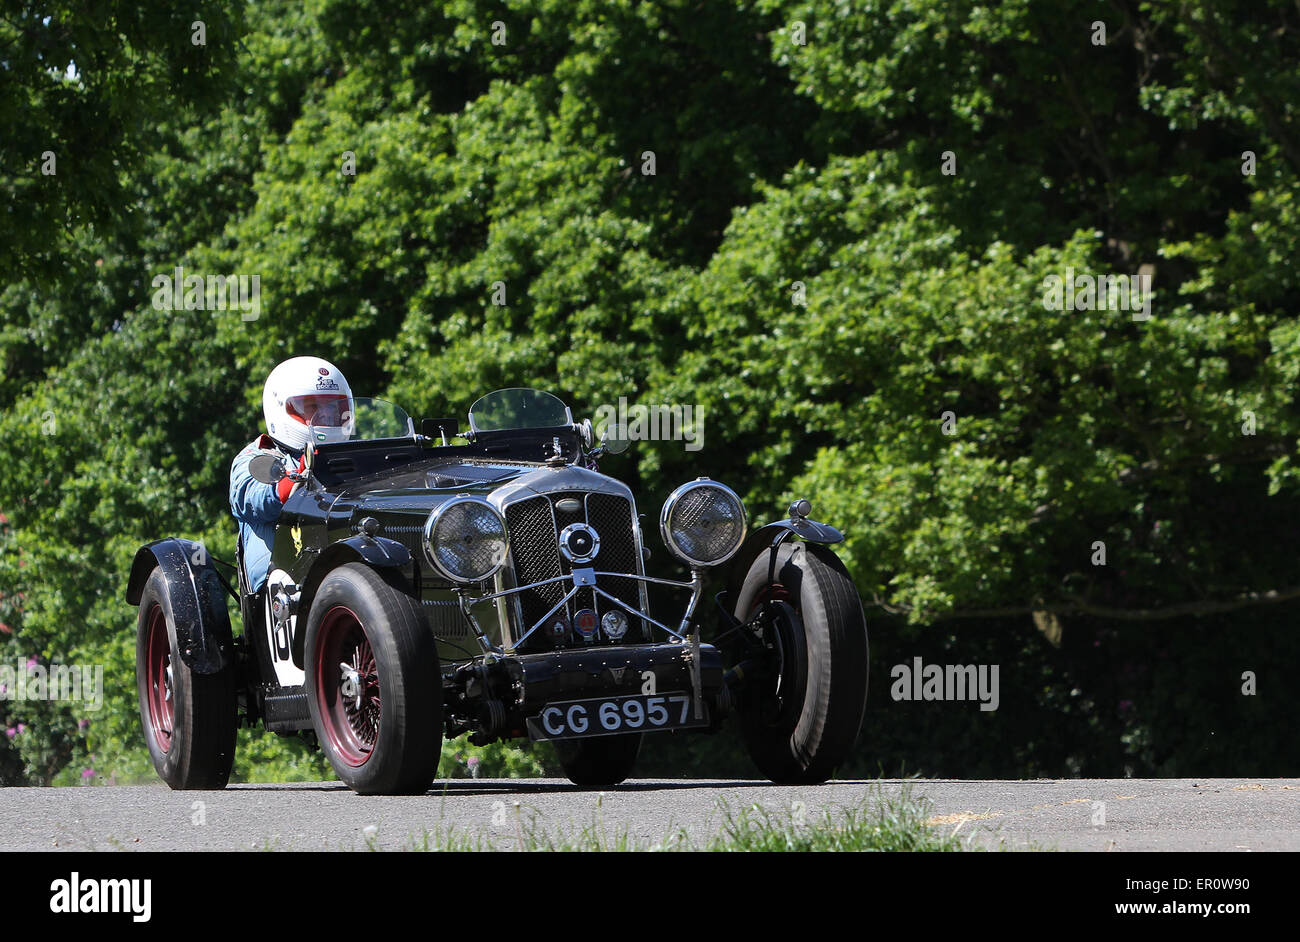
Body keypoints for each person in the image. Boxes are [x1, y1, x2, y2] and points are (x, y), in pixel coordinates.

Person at [229, 356, 353, 593]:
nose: (325, 417)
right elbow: (249, 498)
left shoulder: (353, 453)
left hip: (341, 565)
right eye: (313, 408)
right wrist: (291, 480)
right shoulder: (257, 455)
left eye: (333, 408)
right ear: (281, 408)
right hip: (280, 580)